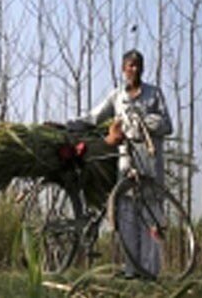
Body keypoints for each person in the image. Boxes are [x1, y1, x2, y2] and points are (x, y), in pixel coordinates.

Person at [71, 49, 173, 279]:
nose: (133, 69)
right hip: (126, 163)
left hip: (149, 163)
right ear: (123, 69)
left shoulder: (154, 94)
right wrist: (73, 124)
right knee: (126, 215)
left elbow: (167, 125)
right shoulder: (117, 96)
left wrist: (144, 122)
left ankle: (149, 271)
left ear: (142, 68)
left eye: (137, 65)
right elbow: (95, 116)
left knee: (151, 216)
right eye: (129, 65)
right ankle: (131, 269)